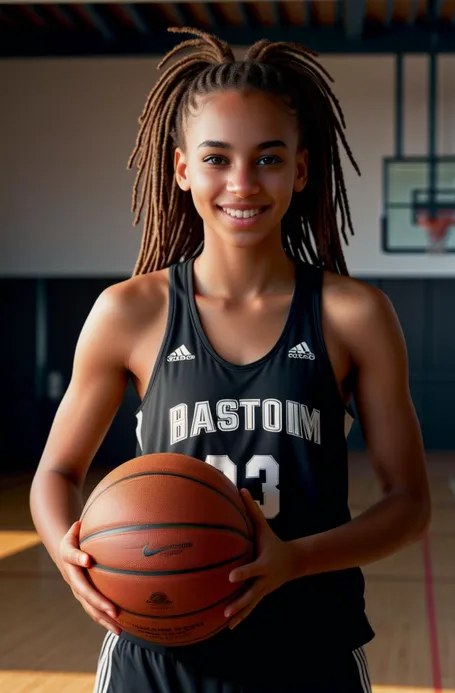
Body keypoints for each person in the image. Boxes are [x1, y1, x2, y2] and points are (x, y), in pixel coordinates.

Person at [30, 26, 431, 693]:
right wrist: (64, 548)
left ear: (301, 170)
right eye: (217, 158)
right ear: (182, 168)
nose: (242, 182)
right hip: (157, 656)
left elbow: (410, 502)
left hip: (310, 647)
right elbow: (56, 471)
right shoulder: (130, 313)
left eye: (268, 158)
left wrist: (293, 559)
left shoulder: (353, 314)